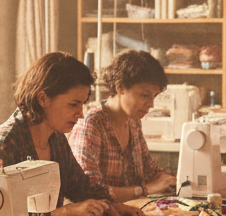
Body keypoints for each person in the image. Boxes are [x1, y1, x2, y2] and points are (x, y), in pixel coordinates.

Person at [0, 52, 134, 216]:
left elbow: (82, 189)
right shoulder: (4, 144)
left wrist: (111, 206)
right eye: (73, 104)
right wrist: (63, 213)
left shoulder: (56, 140)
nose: (80, 114)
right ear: (42, 99)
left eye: (82, 105)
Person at [68, 49, 175, 201]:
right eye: (145, 95)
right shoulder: (91, 125)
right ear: (120, 87)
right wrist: (144, 189)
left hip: (129, 212)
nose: (151, 104)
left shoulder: (133, 122)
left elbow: (150, 172)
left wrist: (173, 180)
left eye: (154, 96)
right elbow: (91, 192)